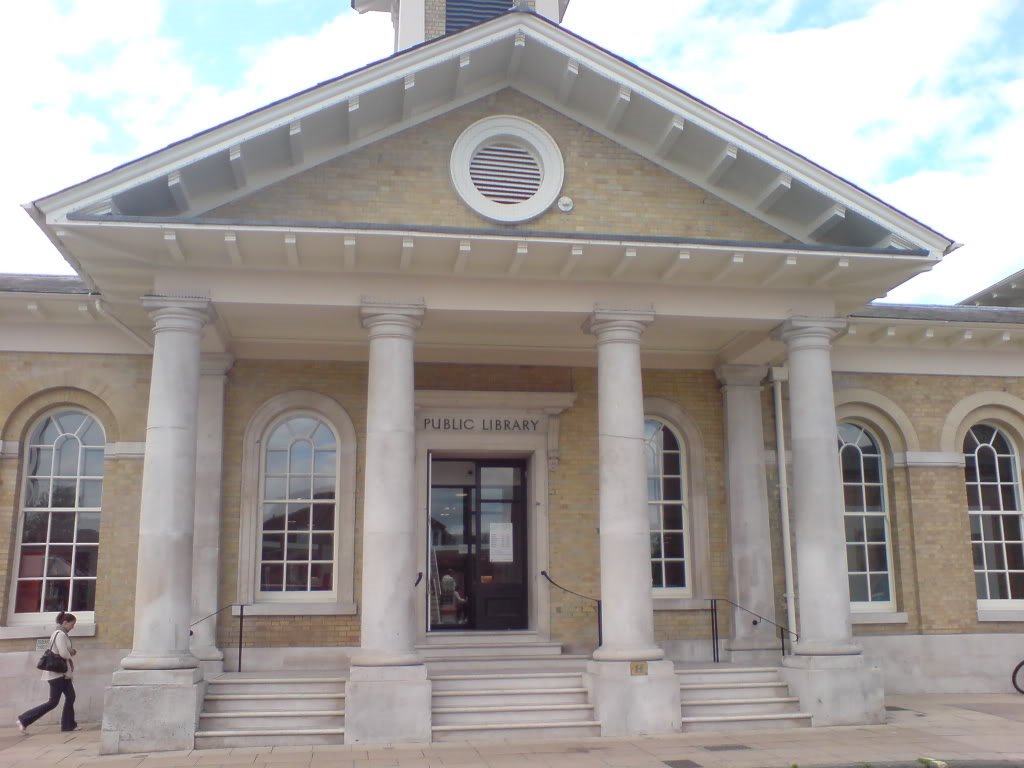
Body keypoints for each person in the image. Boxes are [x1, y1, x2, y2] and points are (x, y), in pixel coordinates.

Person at [16, 611, 78, 734]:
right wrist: (71, 651)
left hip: (63, 675)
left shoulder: (61, 634)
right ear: (65, 622)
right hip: (57, 674)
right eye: (72, 624)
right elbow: (63, 653)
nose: (73, 627)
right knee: (53, 702)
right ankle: (24, 719)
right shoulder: (59, 634)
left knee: (71, 697)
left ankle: (68, 725)